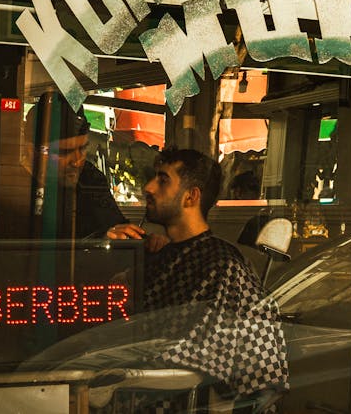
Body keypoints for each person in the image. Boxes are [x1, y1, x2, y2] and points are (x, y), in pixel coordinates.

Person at [107, 147, 289, 411]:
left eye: (163, 179)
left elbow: (212, 354)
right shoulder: (156, 257)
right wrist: (111, 253)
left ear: (191, 197)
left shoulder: (223, 265)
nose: (148, 187)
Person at [11, 92, 135, 240]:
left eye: (82, 149)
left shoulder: (89, 177)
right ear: (32, 152)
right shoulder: (10, 187)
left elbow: (116, 226)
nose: (77, 161)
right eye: (64, 152)